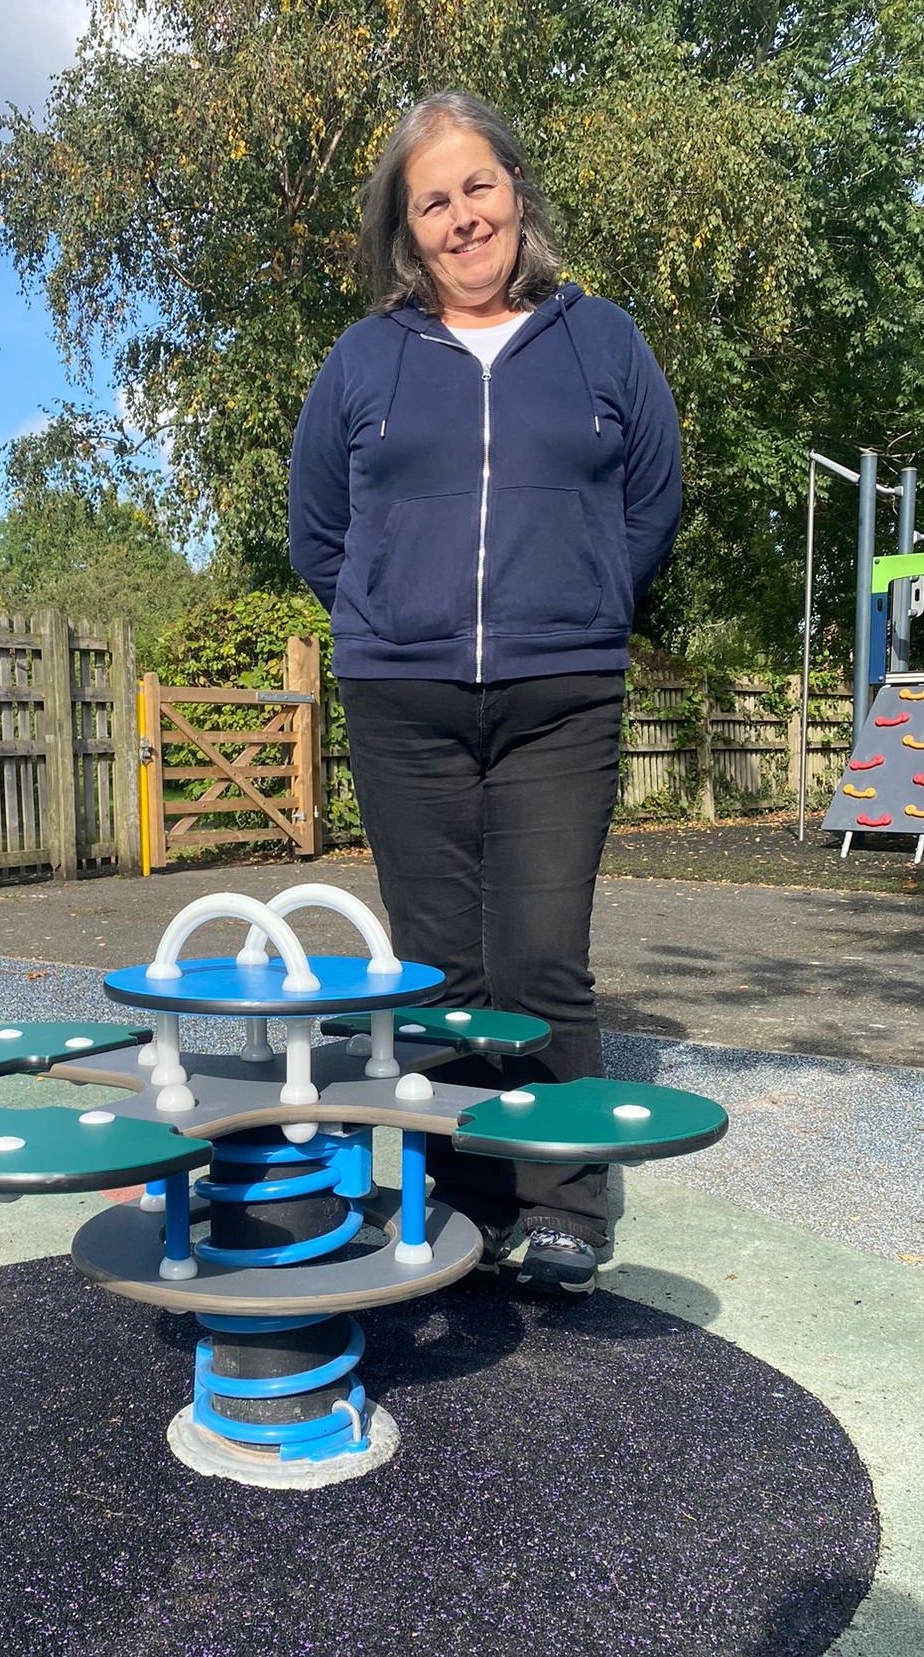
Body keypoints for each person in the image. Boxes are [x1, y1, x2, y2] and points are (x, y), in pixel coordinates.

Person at [288, 90, 681, 1294]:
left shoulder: (600, 338)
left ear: (515, 191)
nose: (462, 219)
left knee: (541, 959)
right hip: (402, 702)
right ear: (406, 232)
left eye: (477, 188)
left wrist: (585, 596)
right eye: (432, 201)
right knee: (442, 970)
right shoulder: (364, 358)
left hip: (560, 694)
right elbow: (317, 528)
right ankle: (456, 1189)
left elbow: (651, 501)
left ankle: (563, 1201)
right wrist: (387, 613)